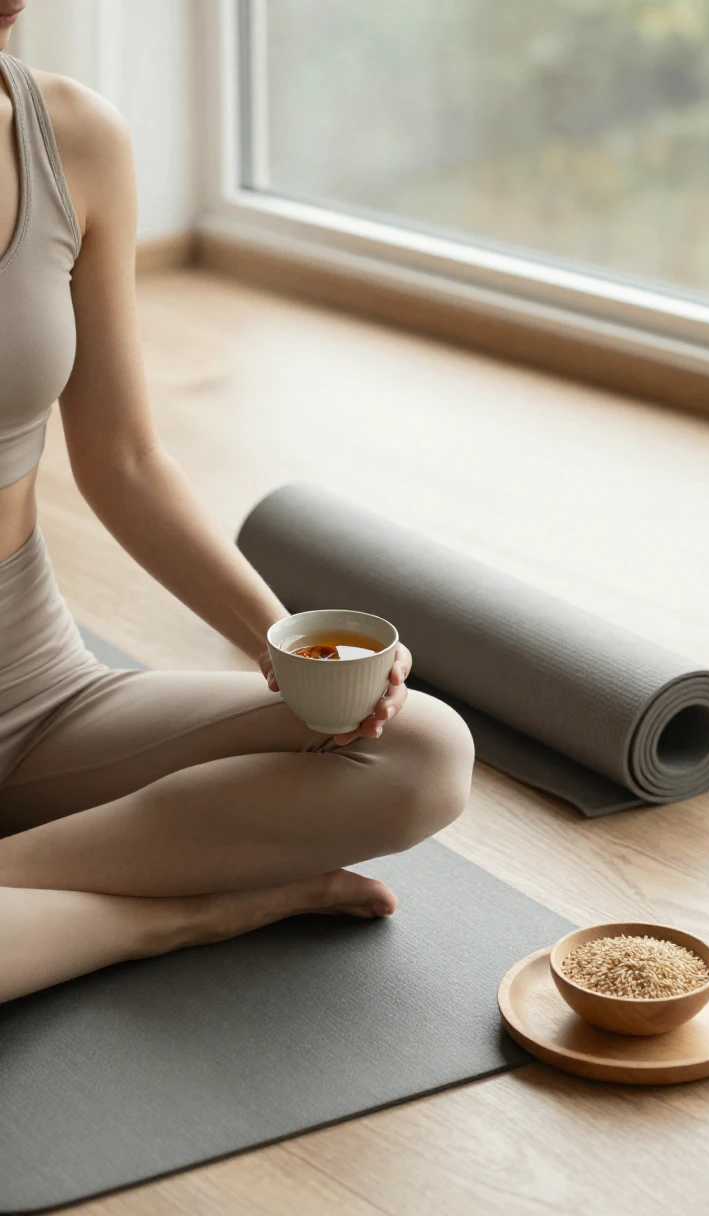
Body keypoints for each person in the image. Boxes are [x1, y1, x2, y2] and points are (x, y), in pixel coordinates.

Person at [0, 9, 474, 1004]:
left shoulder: (71, 137)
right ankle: (176, 912)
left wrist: (287, 649)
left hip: (34, 692)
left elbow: (124, 459)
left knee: (424, 752)